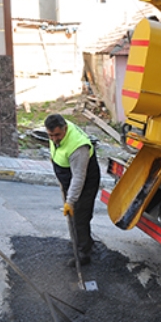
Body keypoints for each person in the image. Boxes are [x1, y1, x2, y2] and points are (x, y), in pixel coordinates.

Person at [45, 114, 100, 266]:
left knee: (79, 217)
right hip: (70, 176)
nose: (54, 139)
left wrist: (70, 201)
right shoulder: (58, 129)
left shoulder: (78, 147)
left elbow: (79, 178)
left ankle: (83, 254)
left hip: (86, 181)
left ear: (65, 128)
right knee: (77, 218)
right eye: (50, 135)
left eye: (57, 135)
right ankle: (84, 241)